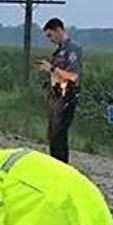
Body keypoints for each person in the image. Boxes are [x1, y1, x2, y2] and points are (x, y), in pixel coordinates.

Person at [37, 18, 82, 163]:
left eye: (50, 35)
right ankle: (55, 165)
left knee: (59, 136)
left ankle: (61, 166)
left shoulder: (72, 49)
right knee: (53, 136)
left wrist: (51, 68)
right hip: (56, 96)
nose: (50, 40)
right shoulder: (60, 51)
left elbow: (73, 76)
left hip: (66, 96)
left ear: (58, 30)